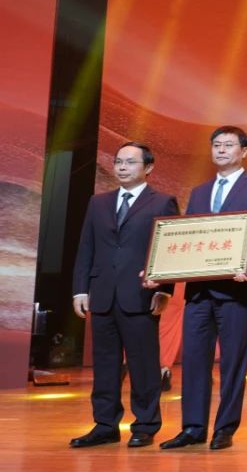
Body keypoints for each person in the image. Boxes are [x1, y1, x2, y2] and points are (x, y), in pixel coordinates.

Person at [160, 126, 247, 451]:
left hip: (237, 290)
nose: (221, 150)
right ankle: (192, 427)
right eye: (216, 145)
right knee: (194, 360)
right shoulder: (199, 192)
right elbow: (190, 237)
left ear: (244, 151)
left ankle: (225, 428)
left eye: (228, 145)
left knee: (232, 362)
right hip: (199, 291)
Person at [69, 142, 180, 448]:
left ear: (148, 167)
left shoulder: (163, 202)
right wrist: (80, 289)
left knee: (143, 364)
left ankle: (145, 424)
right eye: (118, 161)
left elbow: (169, 249)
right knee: (105, 364)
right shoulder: (98, 203)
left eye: (130, 162)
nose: (121, 167)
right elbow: (86, 247)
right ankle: (105, 424)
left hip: (141, 295)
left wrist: (165, 290)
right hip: (102, 293)